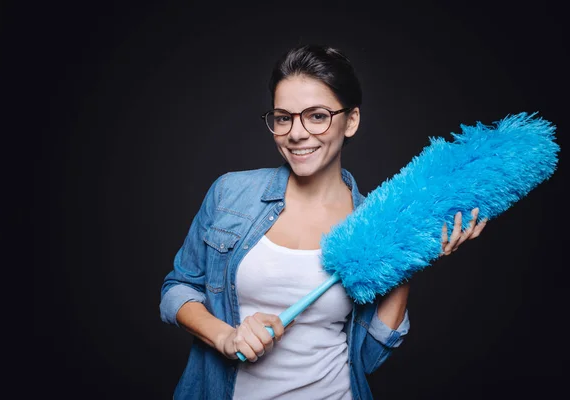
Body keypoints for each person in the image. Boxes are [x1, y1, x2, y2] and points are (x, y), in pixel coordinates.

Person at [159, 44, 487, 400]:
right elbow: (177, 289)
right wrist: (225, 336)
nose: (296, 133)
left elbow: (369, 359)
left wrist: (410, 256)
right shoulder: (231, 194)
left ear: (351, 120)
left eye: (316, 116)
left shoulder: (373, 224)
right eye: (284, 117)